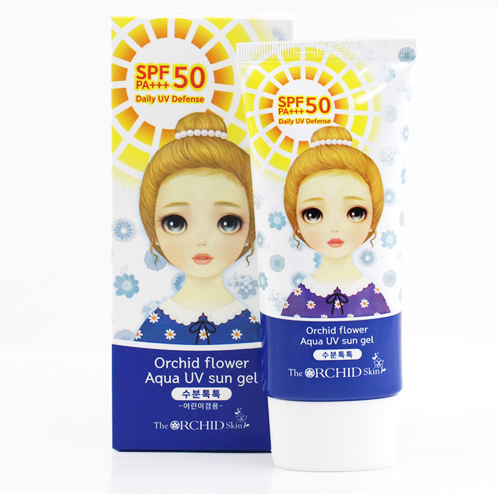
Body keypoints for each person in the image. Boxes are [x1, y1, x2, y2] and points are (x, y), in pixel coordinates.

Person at [135, 112, 260, 344]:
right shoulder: (155, 326)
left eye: (228, 222)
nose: (201, 240)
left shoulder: (251, 326)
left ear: (250, 231)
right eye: (175, 223)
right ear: (154, 231)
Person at [281, 125, 390, 318]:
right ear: (296, 223)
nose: (334, 228)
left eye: (355, 213)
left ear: (373, 219)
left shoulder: (373, 296)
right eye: (313, 214)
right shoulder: (298, 297)